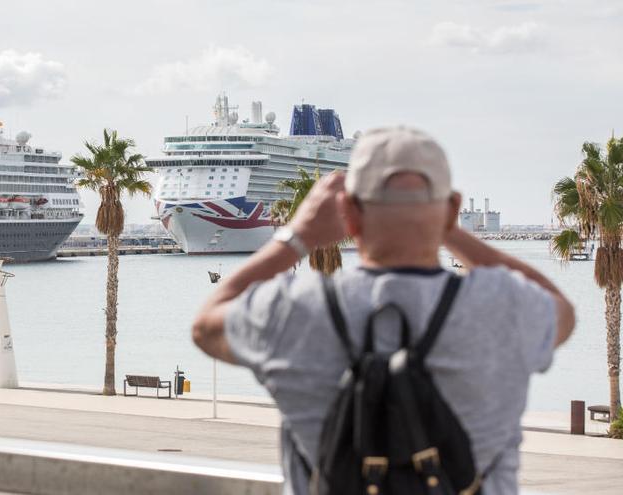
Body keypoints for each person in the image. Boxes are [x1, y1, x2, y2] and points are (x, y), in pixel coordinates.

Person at [192, 127, 575, 494]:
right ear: (453, 208)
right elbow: (561, 310)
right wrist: (449, 230)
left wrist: (299, 236)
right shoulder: (502, 308)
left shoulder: (294, 309)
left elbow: (206, 327)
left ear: (348, 213)